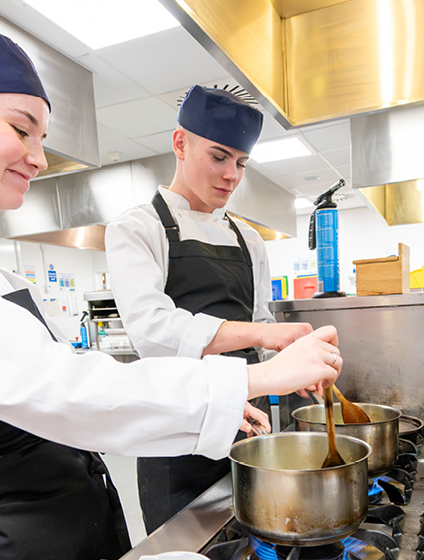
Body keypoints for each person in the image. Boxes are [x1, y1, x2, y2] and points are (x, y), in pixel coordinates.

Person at [0, 20, 343, 560]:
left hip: (63, 521)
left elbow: (63, 381)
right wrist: (253, 376)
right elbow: (55, 387)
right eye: (21, 129)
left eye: (42, 138)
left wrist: (217, 394)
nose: (39, 157)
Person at [105, 85, 313, 533]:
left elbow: (261, 324)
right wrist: (260, 336)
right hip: (173, 440)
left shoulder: (248, 239)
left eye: (240, 163)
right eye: (219, 157)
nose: (231, 175)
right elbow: (152, 328)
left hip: (247, 428)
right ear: (180, 143)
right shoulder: (138, 228)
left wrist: (294, 366)